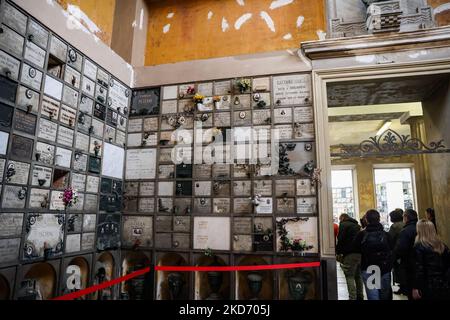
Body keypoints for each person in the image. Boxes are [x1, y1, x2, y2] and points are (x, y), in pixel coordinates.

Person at [353, 209, 393, 300]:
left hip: (368, 268)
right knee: (385, 296)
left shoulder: (361, 235)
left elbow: (355, 248)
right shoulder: (386, 235)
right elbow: (392, 249)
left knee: (373, 296)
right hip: (384, 268)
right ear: (379, 219)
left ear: (366, 220)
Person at [412, 219, 450, 300]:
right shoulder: (442, 246)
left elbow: (419, 269)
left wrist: (416, 287)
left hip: (427, 285)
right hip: (443, 284)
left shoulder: (419, 247)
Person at [336, 214, 364, 300]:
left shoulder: (343, 224)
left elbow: (340, 239)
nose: (340, 221)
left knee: (349, 276)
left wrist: (338, 252)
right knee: (358, 276)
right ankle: (360, 296)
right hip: (360, 254)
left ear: (343, 218)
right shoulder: (357, 225)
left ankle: (352, 297)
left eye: (340, 219)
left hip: (349, 254)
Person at [394, 209, 418, 299]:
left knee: (411, 291)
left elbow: (400, 249)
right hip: (422, 264)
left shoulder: (406, 231)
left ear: (406, 218)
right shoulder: (421, 227)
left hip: (409, 264)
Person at [388, 209, 404, 289]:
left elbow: (390, 238)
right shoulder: (404, 224)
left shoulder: (394, 226)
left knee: (398, 270)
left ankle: (402, 287)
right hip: (404, 249)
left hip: (397, 249)